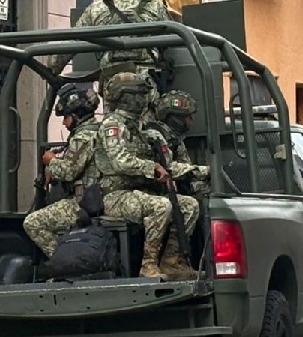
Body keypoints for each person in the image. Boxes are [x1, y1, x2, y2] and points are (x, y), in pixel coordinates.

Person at [95, 72, 199, 279]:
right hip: (115, 196)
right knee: (161, 206)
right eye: (140, 94)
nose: (145, 99)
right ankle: (148, 265)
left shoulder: (145, 130)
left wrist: (200, 171)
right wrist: (152, 168)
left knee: (189, 206)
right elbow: (121, 161)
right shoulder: (112, 126)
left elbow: (168, 166)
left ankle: (171, 262)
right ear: (127, 97)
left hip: (141, 193)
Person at [23, 83, 101, 258]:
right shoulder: (94, 132)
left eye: (66, 117)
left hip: (84, 203)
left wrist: (50, 161)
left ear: (75, 116)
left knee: (33, 222)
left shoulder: (83, 137)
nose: (65, 123)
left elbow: (68, 172)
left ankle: (65, 260)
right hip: (92, 200)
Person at [74, 0, 172, 79]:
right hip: (147, 77)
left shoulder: (97, 8)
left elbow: (73, 40)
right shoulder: (154, 5)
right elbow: (173, 38)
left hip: (111, 78)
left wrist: (51, 69)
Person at [144, 90, 211, 198]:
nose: (191, 120)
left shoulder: (175, 139)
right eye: (188, 117)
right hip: (156, 192)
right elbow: (169, 168)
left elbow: (186, 167)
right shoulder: (155, 136)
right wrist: (205, 170)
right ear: (176, 118)